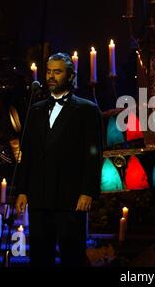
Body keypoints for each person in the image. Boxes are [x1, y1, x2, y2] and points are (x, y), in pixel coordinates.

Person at [15, 53, 104, 267]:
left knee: (71, 256)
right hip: (39, 197)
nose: (51, 76)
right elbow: (27, 154)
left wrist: (87, 190)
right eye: (48, 71)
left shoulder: (87, 110)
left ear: (71, 76)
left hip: (71, 198)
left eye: (57, 71)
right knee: (39, 257)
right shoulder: (35, 110)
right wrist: (22, 190)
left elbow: (94, 153)